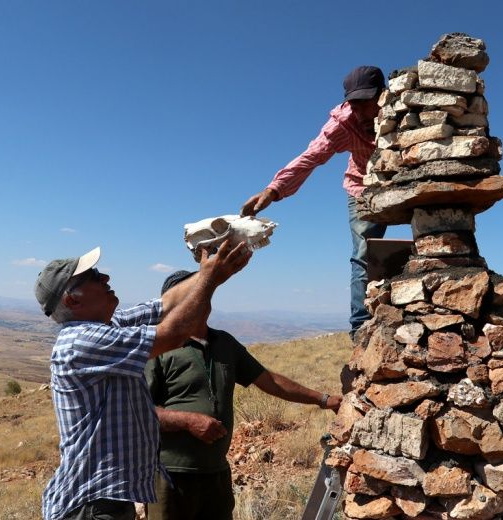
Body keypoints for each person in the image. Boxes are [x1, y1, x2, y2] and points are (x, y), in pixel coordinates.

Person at [34, 243, 251, 520]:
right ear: (72, 300)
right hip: (90, 507)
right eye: (94, 276)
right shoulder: (80, 342)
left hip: (106, 503)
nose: (106, 278)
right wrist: (209, 278)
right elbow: (174, 334)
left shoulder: (108, 327)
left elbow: (167, 304)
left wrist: (213, 270)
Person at [144, 269, 343, 520]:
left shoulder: (225, 343)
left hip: (216, 473)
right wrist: (188, 421)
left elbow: (270, 381)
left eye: (204, 290)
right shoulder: (158, 348)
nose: (201, 298)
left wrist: (323, 399)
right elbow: (138, 412)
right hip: (170, 475)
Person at [240, 65, 388, 339]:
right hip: (363, 187)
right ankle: (359, 329)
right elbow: (311, 156)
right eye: (354, 104)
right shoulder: (342, 123)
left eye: (366, 103)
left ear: (382, 95)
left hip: (405, 180)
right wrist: (273, 190)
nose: (361, 112)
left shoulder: (406, 111)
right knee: (364, 254)